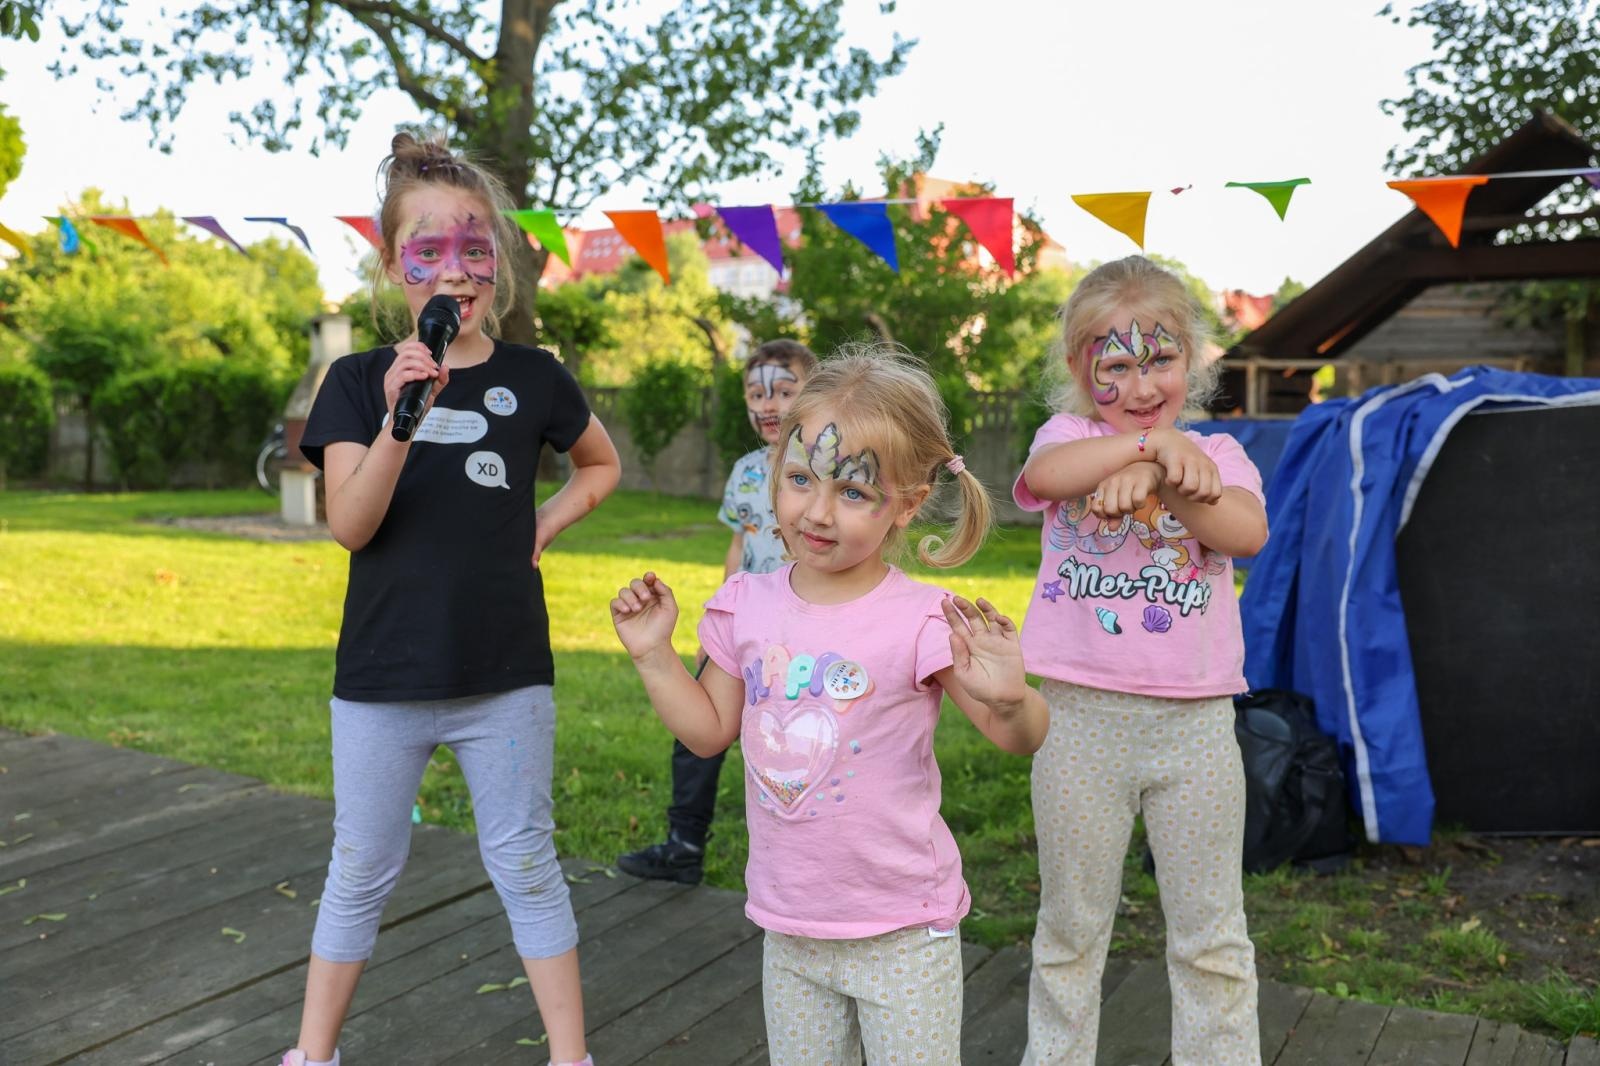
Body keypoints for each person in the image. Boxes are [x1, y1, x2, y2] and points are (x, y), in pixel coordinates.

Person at [282, 132, 620, 1066]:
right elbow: (350, 524)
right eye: (427, 252)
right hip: (384, 678)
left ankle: (569, 1055)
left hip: (504, 674)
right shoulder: (355, 381)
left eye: (475, 249)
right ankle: (313, 1053)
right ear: (394, 265)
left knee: (523, 860)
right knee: (360, 868)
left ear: (500, 262)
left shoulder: (535, 375)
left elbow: (601, 463)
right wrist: (402, 418)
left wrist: (545, 524)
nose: (455, 272)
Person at [610, 349, 1048, 1063]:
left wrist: (1013, 698)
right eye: (800, 479)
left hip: (905, 931)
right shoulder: (745, 605)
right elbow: (708, 732)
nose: (816, 511)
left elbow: (1019, 737)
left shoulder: (923, 618)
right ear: (773, 472)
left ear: (905, 503)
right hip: (792, 931)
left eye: (853, 492)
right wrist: (654, 656)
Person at [1013, 255, 1269, 1065]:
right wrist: (1142, 452)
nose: (1139, 383)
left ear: (1190, 357)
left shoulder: (1222, 455)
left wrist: (1167, 466)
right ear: (1079, 370)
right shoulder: (1068, 440)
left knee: (1211, 935)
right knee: (1070, 929)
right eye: (1114, 365)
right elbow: (1046, 476)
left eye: (1158, 359)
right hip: (1077, 724)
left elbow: (1245, 534)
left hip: (1195, 732)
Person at [617, 338, 818, 885]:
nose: (768, 404)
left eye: (783, 390)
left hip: (806, 631)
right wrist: (719, 621)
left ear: (815, 392)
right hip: (745, 624)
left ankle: (803, 862)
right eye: (756, 393)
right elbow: (741, 547)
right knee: (696, 728)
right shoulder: (747, 471)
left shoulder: (825, 468)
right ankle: (684, 845)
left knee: (793, 742)